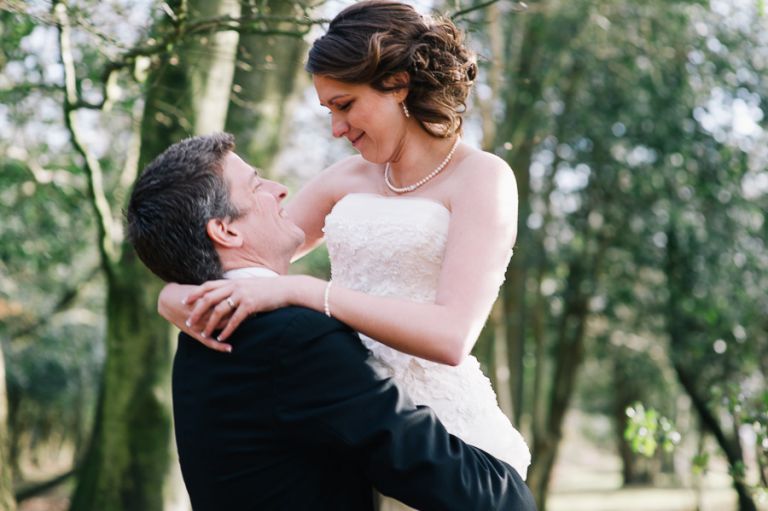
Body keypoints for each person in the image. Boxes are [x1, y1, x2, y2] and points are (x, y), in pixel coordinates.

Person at [160, 2, 531, 508]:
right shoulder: (346, 179)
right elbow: (246, 248)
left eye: (345, 104)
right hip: (347, 429)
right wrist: (172, 294)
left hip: (442, 439)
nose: (337, 128)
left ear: (398, 84)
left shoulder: (483, 179)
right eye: (329, 111)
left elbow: (452, 336)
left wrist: (309, 292)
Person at [125, 133, 537, 511]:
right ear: (226, 231)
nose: (281, 189)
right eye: (256, 185)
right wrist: (511, 493)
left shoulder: (200, 333)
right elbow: (437, 472)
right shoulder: (297, 339)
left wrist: (171, 293)